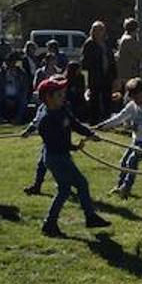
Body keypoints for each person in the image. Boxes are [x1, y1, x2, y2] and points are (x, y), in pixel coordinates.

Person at [33, 77, 110, 238]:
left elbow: (74, 124)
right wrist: (75, 147)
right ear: (48, 97)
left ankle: (51, 223)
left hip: (62, 156)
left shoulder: (62, 110)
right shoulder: (45, 120)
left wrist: (90, 133)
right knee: (78, 184)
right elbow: (56, 143)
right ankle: (87, 217)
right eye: (60, 95)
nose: (63, 98)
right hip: (55, 158)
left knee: (65, 189)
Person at [98, 78, 142, 199]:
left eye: (140, 96)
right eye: (135, 97)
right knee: (123, 162)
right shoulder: (132, 105)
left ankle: (126, 187)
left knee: (132, 160)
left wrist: (134, 127)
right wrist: (105, 125)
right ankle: (120, 185)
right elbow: (120, 117)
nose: (138, 100)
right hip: (136, 141)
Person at [80, 21, 116, 122]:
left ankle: (107, 120)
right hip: (95, 76)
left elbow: (112, 59)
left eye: (101, 30)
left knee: (107, 99)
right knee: (94, 99)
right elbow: (84, 61)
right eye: (96, 30)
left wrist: (115, 76)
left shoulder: (106, 43)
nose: (99, 32)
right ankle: (94, 120)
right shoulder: (89, 44)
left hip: (107, 75)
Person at [0, 53, 32, 125]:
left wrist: (16, 76)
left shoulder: (21, 73)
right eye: (8, 62)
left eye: (12, 61)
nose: (10, 63)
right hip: (5, 96)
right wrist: (5, 98)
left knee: (23, 101)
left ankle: (18, 119)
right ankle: (0, 119)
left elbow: (25, 88)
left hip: (18, 96)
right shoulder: (2, 73)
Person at [115, 18, 142, 85]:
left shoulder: (124, 38)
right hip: (128, 72)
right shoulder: (129, 40)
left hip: (124, 72)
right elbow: (141, 55)